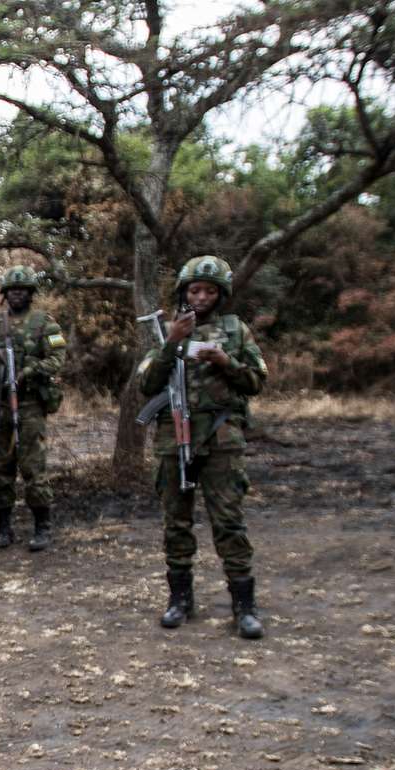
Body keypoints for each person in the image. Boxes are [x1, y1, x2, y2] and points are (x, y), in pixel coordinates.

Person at [137, 253, 267, 639]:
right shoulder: (167, 332)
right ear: (184, 291)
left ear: (221, 294)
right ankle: (180, 599)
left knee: (228, 521)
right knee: (176, 522)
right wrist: (172, 344)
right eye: (195, 289)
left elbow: (257, 380)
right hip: (172, 439)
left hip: (221, 438)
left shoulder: (235, 329)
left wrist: (226, 362)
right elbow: (146, 385)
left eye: (210, 290)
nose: (201, 297)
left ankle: (244, 605)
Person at [0, 265, 67, 551]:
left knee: (33, 466)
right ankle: (3, 527)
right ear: (5, 294)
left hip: (30, 404)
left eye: (22, 290)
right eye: (12, 290)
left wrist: (30, 370)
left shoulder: (45, 324)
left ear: (31, 293)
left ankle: (41, 527)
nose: (17, 294)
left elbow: (57, 359)